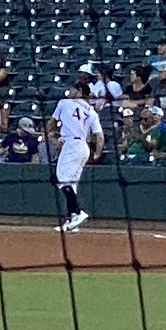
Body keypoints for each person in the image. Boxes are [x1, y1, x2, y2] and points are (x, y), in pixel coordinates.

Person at [52, 69, 106, 235]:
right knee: (71, 184)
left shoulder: (64, 103)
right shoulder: (91, 111)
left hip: (71, 145)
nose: (70, 92)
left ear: (80, 91)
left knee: (61, 180)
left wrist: (52, 134)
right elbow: (100, 136)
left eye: (73, 89)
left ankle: (77, 212)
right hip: (83, 147)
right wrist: (96, 153)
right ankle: (71, 221)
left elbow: (52, 122)